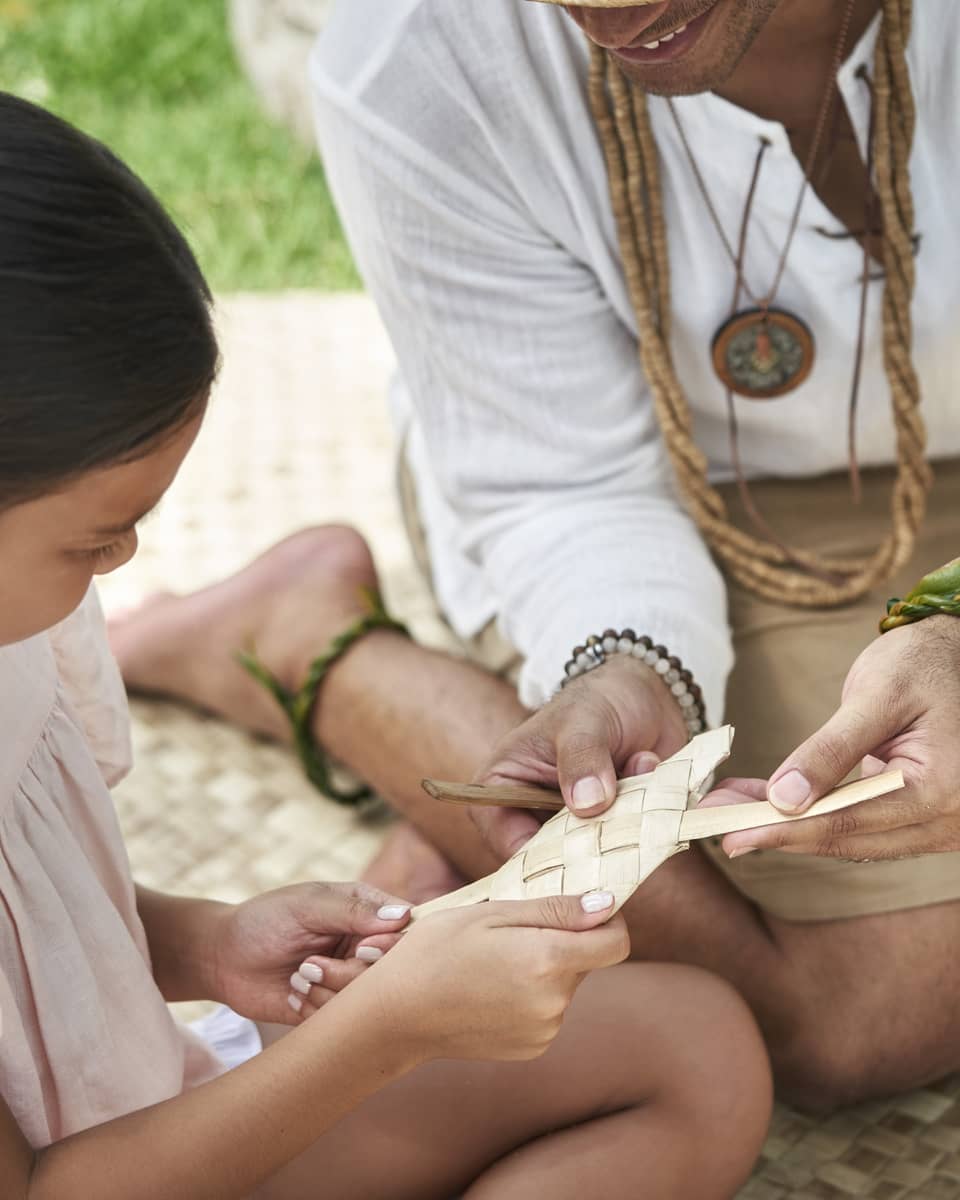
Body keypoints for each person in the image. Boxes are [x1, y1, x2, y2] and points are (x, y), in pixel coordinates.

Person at [111, 0, 960, 1111]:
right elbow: (565, 485)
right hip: (653, 489)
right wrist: (625, 665)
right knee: (863, 1017)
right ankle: (317, 650)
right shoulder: (422, 53)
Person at [0, 92, 772, 1199]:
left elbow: (38, 922)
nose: (120, 562)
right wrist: (382, 1037)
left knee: (696, 1045)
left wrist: (206, 942)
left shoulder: (14, 615)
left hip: (138, 1106)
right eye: (95, 536)